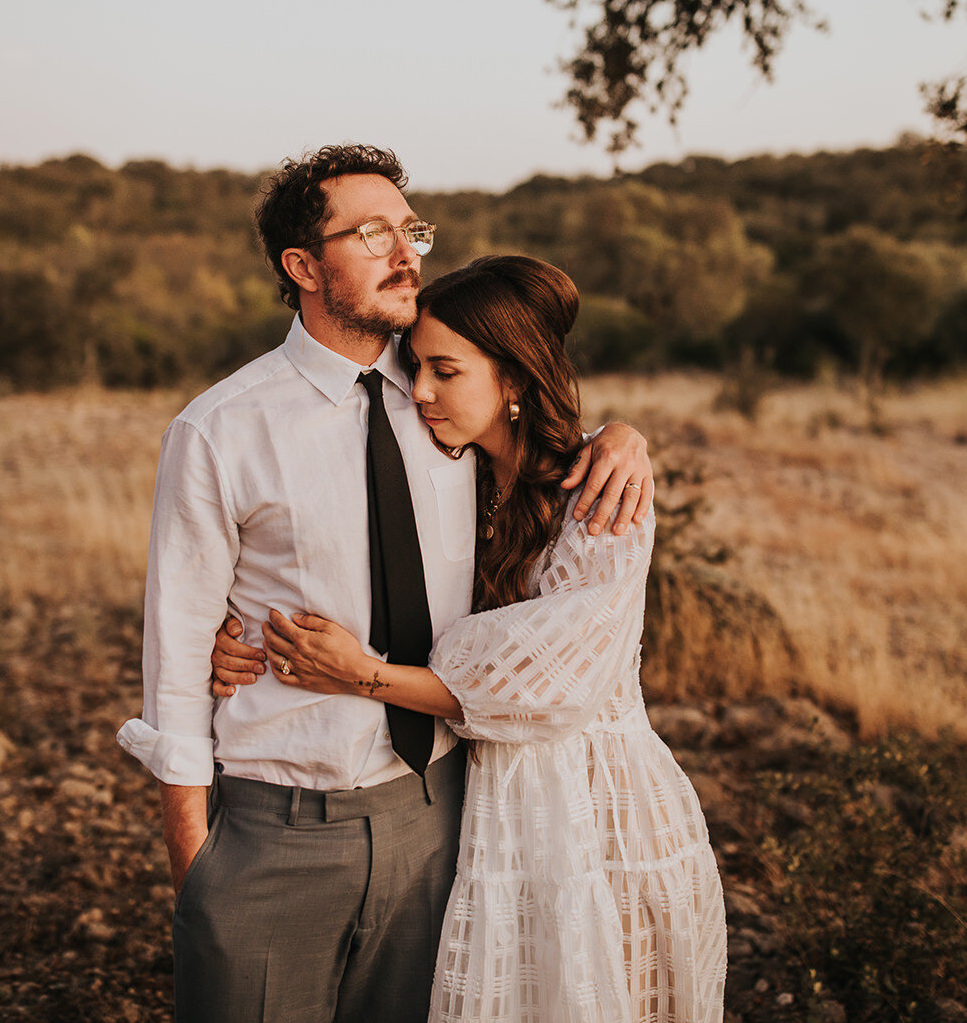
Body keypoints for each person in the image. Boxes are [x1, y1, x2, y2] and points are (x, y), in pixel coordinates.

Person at [116, 145, 653, 1023]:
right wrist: (195, 858)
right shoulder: (219, 431)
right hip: (272, 828)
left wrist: (627, 435)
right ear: (303, 267)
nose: (406, 252)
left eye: (411, 230)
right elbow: (176, 651)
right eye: (371, 234)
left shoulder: (445, 386)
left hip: (443, 819)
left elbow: (544, 430)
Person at [219, 254, 727, 1023]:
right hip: (484, 803)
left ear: (515, 379)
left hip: (592, 810)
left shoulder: (599, 500)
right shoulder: (451, 470)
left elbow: (544, 689)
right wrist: (239, 629)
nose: (418, 391)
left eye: (444, 371)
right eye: (416, 367)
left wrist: (362, 675)